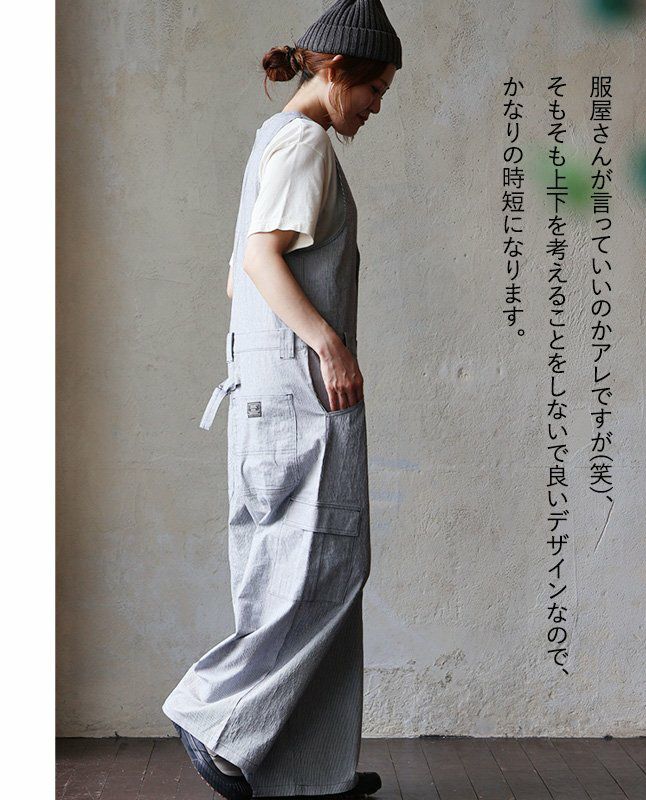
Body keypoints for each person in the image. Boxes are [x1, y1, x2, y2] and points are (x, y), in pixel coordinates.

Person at [161, 2, 401, 798]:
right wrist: (330, 344)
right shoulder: (305, 142)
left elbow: (237, 279)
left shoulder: (274, 138)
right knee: (323, 567)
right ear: (334, 71)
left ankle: (303, 773)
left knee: (289, 572)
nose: (377, 106)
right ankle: (213, 714)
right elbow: (262, 263)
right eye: (373, 88)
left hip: (268, 395)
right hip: (301, 397)